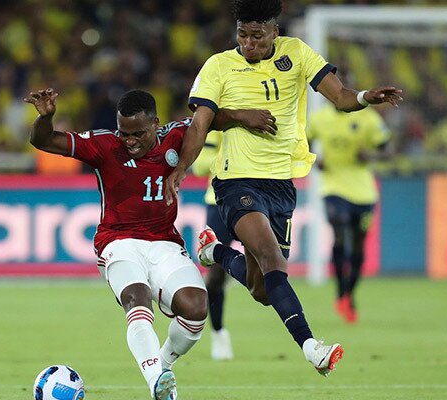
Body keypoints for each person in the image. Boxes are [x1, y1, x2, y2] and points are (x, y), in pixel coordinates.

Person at [164, 0, 403, 377]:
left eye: (257, 35)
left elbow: (340, 97)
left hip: (281, 184)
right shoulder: (218, 65)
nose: (248, 43)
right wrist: (180, 170)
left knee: (262, 289)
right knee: (275, 262)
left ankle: (216, 252)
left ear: (275, 32)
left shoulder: (297, 53)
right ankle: (312, 347)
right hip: (235, 179)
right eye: (242, 34)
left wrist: (363, 98)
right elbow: (199, 124)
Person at [24, 88, 275, 399]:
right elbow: (43, 141)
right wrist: (45, 118)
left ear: (156, 123)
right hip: (118, 241)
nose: (129, 141)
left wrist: (242, 116)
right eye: (124, 133)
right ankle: (157, 380)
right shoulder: (104, 144)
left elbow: (210, 119)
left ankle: (163, 366)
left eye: (138, 134)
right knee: (136, 297)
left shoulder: (176, 136)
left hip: (164, 243)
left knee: (196, 308)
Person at [307, 102, 392, 323]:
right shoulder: (319, 118)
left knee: (357, 244)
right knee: (339, 228)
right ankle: (340, 291)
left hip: (364, 193)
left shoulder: (369, 118)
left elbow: (388, 151)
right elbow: (300, 143)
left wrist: (371, 156)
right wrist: (315, 159)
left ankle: (349, 294)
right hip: (333, 186)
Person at [192, 130, 235, 360]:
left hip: (259, 199)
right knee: (216, 273)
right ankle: (218, 331)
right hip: (220, 203)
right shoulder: (217, 125)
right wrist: (233, 158)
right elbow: (199, 167)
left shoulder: (266, 116)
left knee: (268, 266)